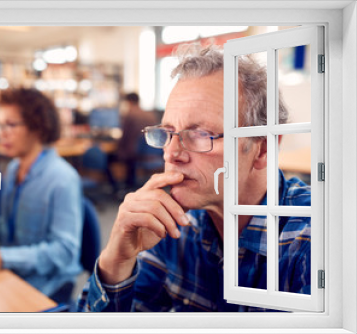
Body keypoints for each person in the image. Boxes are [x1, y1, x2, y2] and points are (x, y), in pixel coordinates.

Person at [77, 44, 311, 312]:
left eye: (200, 134)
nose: (171, 154)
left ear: (263, 148)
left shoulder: (314, 242)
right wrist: (117, 260)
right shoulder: (172, 224)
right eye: (167, 132)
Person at [0, 88, 84, 304]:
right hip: (12, 271)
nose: (1, 133)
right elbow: (6, 224)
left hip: (46, 284)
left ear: (37, 127)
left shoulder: (62, 178)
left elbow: (64, 251)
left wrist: (3, 257)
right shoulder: (13, 169)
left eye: (10, 125)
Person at [114, 93, 158, 191]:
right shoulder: (150, 114)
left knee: (109, 157)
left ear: (128, 102)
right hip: (152, 152)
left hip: (135, 153)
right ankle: (129, 185)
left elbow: (124, 137)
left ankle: (118, 188)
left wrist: (118, 148)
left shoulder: (130, 114)